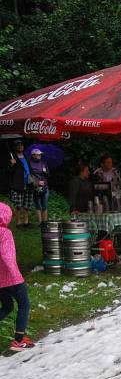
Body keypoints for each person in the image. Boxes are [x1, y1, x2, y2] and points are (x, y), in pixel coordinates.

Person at [0, 202, 34, 351]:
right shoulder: (4, 233)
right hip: (10, 277)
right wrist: (15, 274)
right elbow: (7, 256)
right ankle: (18, 341)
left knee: (7, 307)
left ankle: (19, 338)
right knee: (24, 305)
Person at [7, 139, 34, 228]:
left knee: (27, 204)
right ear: (15, 147)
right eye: (18, 145)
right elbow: (8, 172)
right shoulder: (12, 158)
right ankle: (19, 223)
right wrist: (11, 164)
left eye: (21, 144)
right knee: (18, 205)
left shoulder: (26, 156)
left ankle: (26, 222)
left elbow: (29, 169)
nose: (20, 146)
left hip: (28, 183)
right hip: (18, 184)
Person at [28, 148, 50, 226]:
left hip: (45, 187)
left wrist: (45, 172)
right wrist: (37, 182)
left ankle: (45, 222)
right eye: (38, 154)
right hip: (35, 187)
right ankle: (40, 222)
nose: (40, 155)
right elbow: (29, 176)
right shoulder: (29, 164)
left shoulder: (43, 163)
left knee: (44, 205)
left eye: (41, 154)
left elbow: (48, 175)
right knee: (38, 205)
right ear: (33, 155)